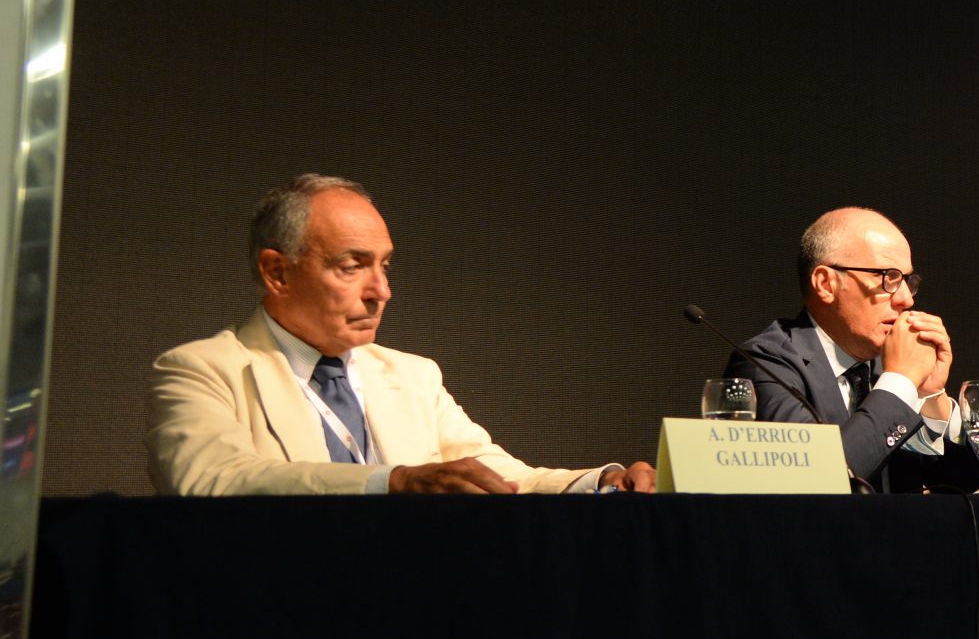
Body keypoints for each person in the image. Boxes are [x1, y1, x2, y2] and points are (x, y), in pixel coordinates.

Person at [147, 174, 656, 495]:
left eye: (385, 266)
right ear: (277, 272)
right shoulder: (202, 370)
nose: (382, 291)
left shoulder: (413, 376)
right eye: (352, 266)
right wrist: (392, 482)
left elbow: (492, 474)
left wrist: (596, 482)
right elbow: (217, 479)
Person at [726, 207, 979, 493]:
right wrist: (900, 382)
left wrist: (932, 397)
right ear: (826, 284)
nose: (906, 299)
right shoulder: (765, 364)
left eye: (907, 281)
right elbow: (814, 479)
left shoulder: (894, 366)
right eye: (888, 277)